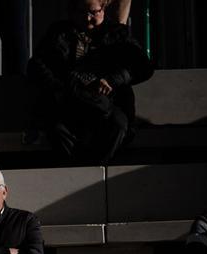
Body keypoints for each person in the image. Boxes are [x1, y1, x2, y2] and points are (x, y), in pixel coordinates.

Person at [27, 0, 153, 165]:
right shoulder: (60, 33)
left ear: (104, 8)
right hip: (70, 105)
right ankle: (80, 171)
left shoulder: (116, 34)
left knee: (118, 124)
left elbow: (143, 66)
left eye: (94, 12)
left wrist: (113, 80)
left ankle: (93, 169)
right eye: (81, 12)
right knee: (57, 128)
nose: (87, 18)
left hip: (106, 106)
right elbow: (36, 65)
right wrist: (64, 87)